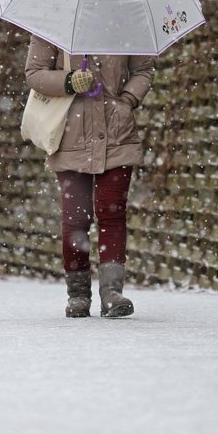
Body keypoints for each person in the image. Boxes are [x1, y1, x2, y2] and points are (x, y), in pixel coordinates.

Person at [24, 35, 156, 318]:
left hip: (117, 135)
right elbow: (34, 74)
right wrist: (68, 81)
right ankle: (78, 294)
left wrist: (127, 100)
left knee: (112, 211)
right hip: (70, 136)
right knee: (75, 218)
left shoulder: (124, 20)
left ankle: (112, 293)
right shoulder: (55, 22)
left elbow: (144, 69)